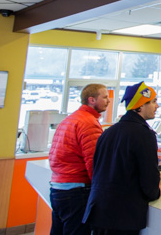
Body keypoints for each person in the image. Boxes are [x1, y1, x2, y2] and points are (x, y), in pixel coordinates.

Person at [83, 82, 161, 235]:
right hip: (123, 216)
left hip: (99, 210)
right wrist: (156, 192)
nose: (157, 106)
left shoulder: (108, 132)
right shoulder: (144, 135)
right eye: (153, 101)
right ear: (139, 106)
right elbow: (149, 178)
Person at [49, 84, 110, 235]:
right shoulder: (89, 123)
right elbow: (94, 162)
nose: (108, 101)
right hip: (76, 191)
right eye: (105, 97)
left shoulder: (71, 119)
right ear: (92, 100)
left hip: (58, 188)